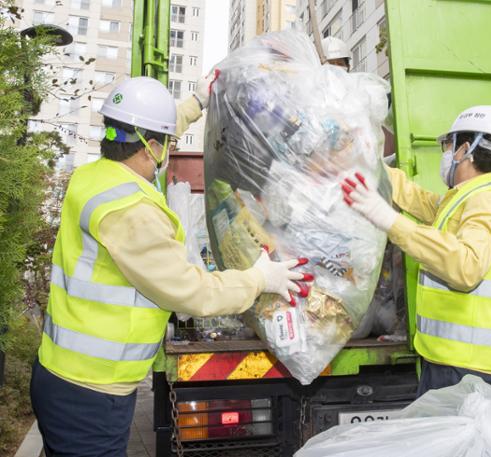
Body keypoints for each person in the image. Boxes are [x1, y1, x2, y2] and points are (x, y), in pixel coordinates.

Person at [30, 74, 312, 456]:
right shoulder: (132, 212)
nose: (168, 149)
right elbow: (190, 292)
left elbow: (148, 133)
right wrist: (259, 278)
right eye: (167, 144)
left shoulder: (94, 177)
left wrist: (197, 101)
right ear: (151, 148)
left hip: (66, 375)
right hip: (91, 394)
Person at [342, 106, 491, 397]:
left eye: (448, 146)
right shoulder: (468, 195)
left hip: (470, 372)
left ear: (466, 149)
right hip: (450, 362)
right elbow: (420, 200)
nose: (446, 153)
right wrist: (368, 163)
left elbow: (467, 267)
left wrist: (391, 221)